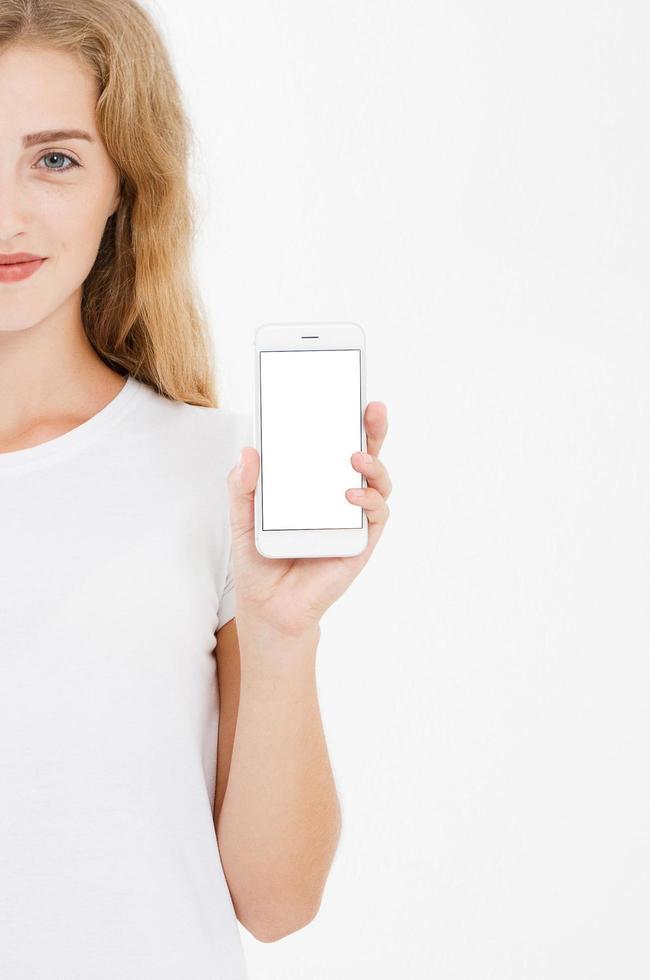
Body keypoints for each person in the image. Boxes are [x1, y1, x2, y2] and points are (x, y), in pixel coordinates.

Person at [0, 2, 391, 977]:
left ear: (121, 188)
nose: (6, 213)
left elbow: (276, 899)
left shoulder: (215, 475)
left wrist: (282, 626)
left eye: (54, 159)